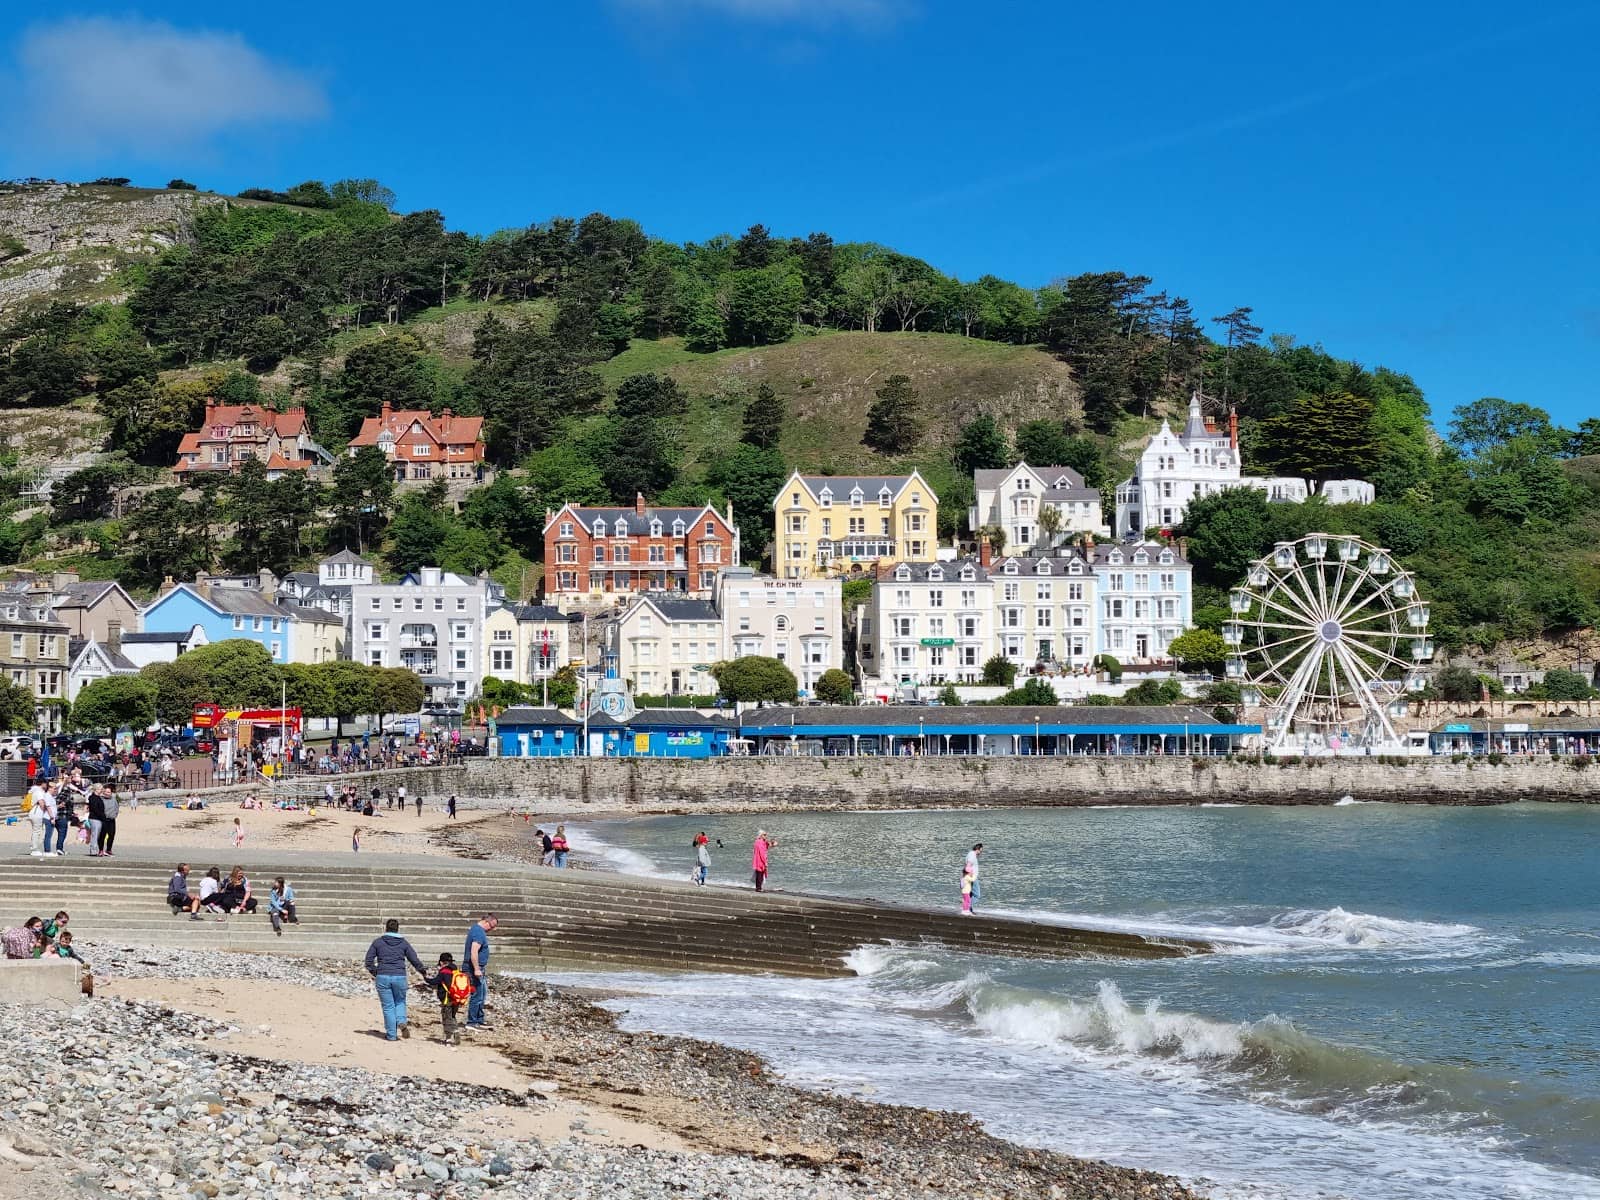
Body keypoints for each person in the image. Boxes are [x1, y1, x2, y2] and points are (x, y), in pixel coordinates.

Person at [364, 918, 428, 1041]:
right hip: (400, 976)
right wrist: (422, 971)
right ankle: (402, 1021)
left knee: (388, 1006)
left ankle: (392, 1035)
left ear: (386, 928)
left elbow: (368, 961)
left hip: (383, 976)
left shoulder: (378, 942)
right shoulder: (404, 943)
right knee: (400, 1001)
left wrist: (375, 972)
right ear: (397, 929)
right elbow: (414, 959)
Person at [422, 952, 469, 1046]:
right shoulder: (456, 971)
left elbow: (435, 981)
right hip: (457, 999)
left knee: (446, 1018)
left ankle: (451, 1036)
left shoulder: (444, 972)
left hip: (447, 999)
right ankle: (452, 1033)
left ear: (441, 962)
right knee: (452, 1016)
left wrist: (425, 978)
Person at [463, 913, 497, 1030]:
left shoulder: (477, 930)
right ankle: (472, 1022)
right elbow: (474, 951)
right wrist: (476, 969)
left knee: (482, 994)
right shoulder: (478, 932)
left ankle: (479, 1019)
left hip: (478, 968)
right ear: (486, 922)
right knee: (477, 995)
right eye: (492, 926)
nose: (492, 929)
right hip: (473, 969)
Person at [26, 781, 47, 857]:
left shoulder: (34, 791)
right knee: (37, 831)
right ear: (42, 783)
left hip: (33, 812)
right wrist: (46, 811)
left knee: (36, 830)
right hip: (37, 812)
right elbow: (41, 803)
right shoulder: (39, 792)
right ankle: (34, 849)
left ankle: (34, 847)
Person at [97, 786, 119, 857]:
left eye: (109, 792)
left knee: (111, 835)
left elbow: (116, 807)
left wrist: (115, 814)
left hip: (112, 819)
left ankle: (109, 849)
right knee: (102, 836)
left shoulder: (114, 799)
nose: (108, 793)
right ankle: (101, 850)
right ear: (104, 792)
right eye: (106, 792)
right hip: (103, 820)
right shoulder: (101, 799)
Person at [37, 784, 59, 856]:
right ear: (49, 788)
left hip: (50, 817)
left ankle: (48, 850)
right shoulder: (47, 796)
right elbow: (48, 807)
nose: (55, 790)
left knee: (49, 834)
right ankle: (47, 851)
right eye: (54, 788)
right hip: (48, 817)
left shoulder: (51, 796)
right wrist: (52, 817)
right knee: (48, 834)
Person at [84, 787, 105, 857]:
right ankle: (93, 851)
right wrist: (102, 816)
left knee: (96, 835)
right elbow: (95, 809)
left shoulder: (98, 797)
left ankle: (95, 850)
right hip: (95, 818)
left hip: (98, 818)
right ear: (96, 790)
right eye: (100, 789)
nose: (101, 790)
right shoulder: (92, 798)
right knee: (95, 835)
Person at [964, 843, 984, 912]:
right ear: (978, 849)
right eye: (980, 851)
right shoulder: (972, 855)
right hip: (972, 877)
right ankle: (967, 906)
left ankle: (969, 909)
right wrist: (971, 875)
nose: (980, 853)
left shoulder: (970, 854)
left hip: (969, 877)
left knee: (970, 894)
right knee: (977, 895)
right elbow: (968, 865)